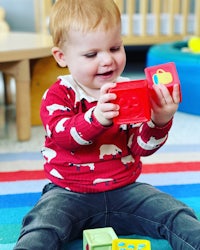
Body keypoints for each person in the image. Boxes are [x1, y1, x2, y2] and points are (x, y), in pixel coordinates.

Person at [14, 0, 200, 249]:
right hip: (67, 193)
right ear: (62, 57)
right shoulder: (59, 95)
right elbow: (64, 136)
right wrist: (97, 118)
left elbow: (140, 147)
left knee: (176, 213)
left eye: (115, 48)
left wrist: (160, 119)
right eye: (92, 54)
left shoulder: (130, 91)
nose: (107, 61)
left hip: (125, 190)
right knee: (40, 227)